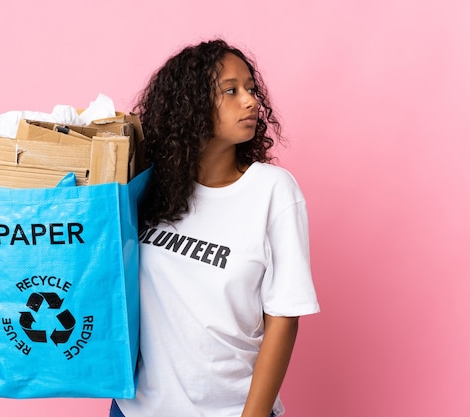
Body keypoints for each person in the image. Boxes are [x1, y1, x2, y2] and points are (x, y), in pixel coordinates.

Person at [111, 39, 319, 417]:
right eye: (231, 91)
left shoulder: (272, 190)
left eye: (252, 89)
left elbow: (284, 320)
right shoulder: (148, 187)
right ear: (189, 105)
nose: (251, 101)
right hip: (135, 409)